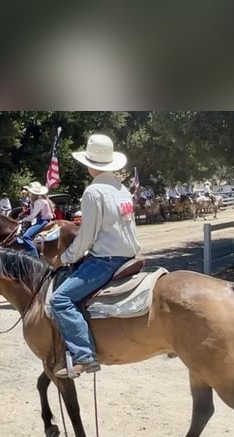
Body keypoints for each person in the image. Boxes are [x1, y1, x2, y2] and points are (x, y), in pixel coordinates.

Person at [49, 134, 141, 378]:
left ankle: (84, 356)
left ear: (90, 164)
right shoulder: (122, 189)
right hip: (130, 255)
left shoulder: (93, 192)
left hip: (106, 260)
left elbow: (86, 238)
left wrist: (64, 258)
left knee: (59, 300)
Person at [18, 181, 54, 256]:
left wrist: (23, 220)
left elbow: (32, 216)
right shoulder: (38, 201)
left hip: (42, 222)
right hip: (42, 220)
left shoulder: (39, 202)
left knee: (26, 237)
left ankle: (34, 257)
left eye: (30, 192)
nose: (29, 193)